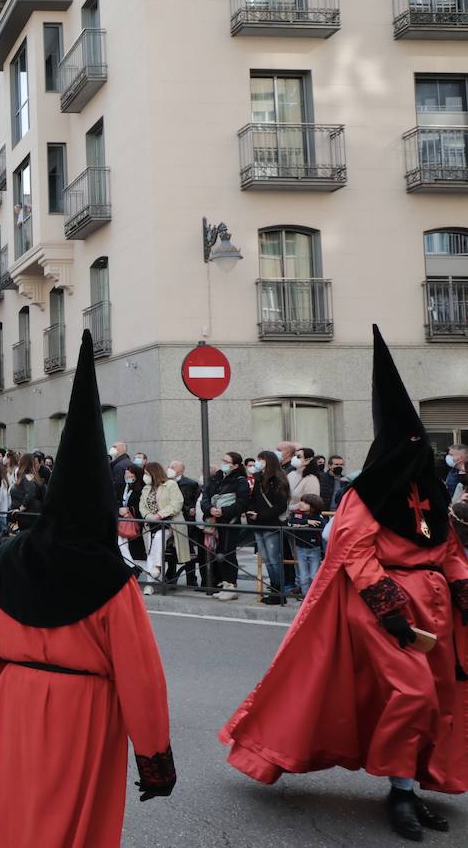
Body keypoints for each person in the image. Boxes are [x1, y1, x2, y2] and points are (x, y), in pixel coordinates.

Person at [222, 326, 468, 842]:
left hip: (435, 610)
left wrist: (462, 587)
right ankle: (397, 787)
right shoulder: (366, 495)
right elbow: (354, 552)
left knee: (437, 696)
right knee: (413, 693)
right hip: (386, 609)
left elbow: (447, 550)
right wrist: (392, 610)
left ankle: (407, 787)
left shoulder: (432, 496)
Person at [0, 331, 174, 847]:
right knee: (75, 829)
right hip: (83, 713)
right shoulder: (110, 580)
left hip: (19, 702)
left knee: (18, 819)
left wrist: (4, 705)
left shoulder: (5, 561)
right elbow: (141, 675)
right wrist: (154, 758)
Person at [200, 452, 250, 602]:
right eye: (223, 460)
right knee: (219, 552)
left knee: (228, 552)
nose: (224, 463)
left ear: (235, 465)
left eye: (227, 461)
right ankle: (225, 584)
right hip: (216, 520)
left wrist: (224, 511)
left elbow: (242, 503)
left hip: (230, 521)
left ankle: (232, 585)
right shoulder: (216, 477)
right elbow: (205, 497)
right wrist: (209, 509)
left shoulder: (241, 481)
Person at [248, 451, 291, 606]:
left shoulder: (279, 479)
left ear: (269, 462)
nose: (258, 462)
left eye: (262, 460)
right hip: (258, 523)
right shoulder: (259, 479)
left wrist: (260, 515)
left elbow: (280, 505)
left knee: (274, 559)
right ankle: (274, 590)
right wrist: (252, 513)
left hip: (272, 524)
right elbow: (253, 499)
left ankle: (280, 592)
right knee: (267, 559)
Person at [138, 462, 182, 596]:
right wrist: (149, 516)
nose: (145, 477)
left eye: (146, 474)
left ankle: (157, 567)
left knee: (158, 538)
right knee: (150, 548)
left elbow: (177, 503)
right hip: (151, 524)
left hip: (170, 523)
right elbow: (142, 506)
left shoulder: (170, 485)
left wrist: (160, 515)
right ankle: (150, 583)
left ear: (154, 473)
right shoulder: (146, 488)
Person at [288, 493, 327, 598]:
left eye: (305, 502)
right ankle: (305, 598)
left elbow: (322, 524)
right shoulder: (296, 514)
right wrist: (307, 522)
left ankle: (313, 597)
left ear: (313, 506)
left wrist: (304, 523)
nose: (301, 503)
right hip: (300, 549)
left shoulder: (318, 515)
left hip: (315, 549)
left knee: (313, 576)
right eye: (301, 501)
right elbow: (291, 523)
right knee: (303, 576)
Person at [168, 461, 201, 586]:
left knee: (188, 551)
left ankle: (191, 578)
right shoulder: (166, 482)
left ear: (180, 470)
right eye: (169, 466)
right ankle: (170, 575)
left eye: (172, 467)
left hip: (185, 522)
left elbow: (191, 503)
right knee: (171, 550)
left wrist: (189, 510)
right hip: (170, 521)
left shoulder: (190, 483)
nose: (169, 469)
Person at [115, 462, 144, 571]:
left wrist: (129, 510)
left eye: (130, 474)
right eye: (126, 474)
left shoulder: (140, 489)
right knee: (121, 541)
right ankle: (131, 567)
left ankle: (130, 567)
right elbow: (116, 500)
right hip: (122, 521)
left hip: (133, 521)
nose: (127, 476)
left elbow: (139, 507)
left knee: (121, 541)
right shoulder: (122, 487)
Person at [8, 452, 43, 534]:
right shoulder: (30, 476)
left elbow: (30, 493)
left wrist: (20, 508)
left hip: (27, 516)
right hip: (26, 515)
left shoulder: (28, 477)